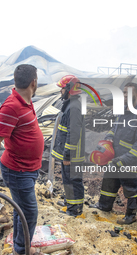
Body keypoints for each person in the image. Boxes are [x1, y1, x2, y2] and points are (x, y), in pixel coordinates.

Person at [0, 64, 44, 255]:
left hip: (27, 169)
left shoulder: (25, 102)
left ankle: (19, 245)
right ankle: (21, 250)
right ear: (34, 82)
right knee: (29, 212)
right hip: (17, 171)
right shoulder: (11, 106)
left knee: (20, 209)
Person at [90, 82, 137, 225]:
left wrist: (124, 159)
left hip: (129, 161)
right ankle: (104, 206)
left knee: (131, 188)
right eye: (124, 92)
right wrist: (108, 137)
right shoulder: (122, 111)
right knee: (109, 183)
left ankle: (130, 216)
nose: (125, 95)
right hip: (114, 157)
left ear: (136, 95)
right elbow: (114, 129)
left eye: (128, 93)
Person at [51, 75, 85, 217]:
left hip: (73, 154)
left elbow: (73, 133)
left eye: (62, 88)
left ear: (70, 89)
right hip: (71, 153)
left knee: (73, 181)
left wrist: (67, 155)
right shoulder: (71, 104)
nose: (61, 92)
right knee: (68, 180)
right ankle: (70, 203)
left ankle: (74, 209)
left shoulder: (75, 107)